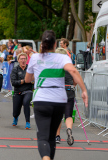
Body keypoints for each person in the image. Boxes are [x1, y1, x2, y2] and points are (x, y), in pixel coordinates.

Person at [25, 30, 88, 160]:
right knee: (52, 136)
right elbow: (73, 70)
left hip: (41, 99)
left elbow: (27, 79)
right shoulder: (63, 57)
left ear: (42, 44)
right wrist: (84, 90)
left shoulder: (35, 58)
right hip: (59, 100)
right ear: (55, 45)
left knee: (43, 136)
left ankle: (45, 158)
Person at [54, 48, 76, 145]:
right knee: (68, 115)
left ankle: (57, 136)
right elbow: (75, 81)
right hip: (69, 91)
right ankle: (69, 129)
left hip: (58, 92)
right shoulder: (70, 67)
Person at [10, 53, 33, 129]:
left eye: (24, 59)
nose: (23, 60)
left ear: (26, 60)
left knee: (26, 102)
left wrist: (32, 81)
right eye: (21, 59)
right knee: (16, 111)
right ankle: (15, 117)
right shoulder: (15, 69)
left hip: (28, 90)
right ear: (18, 60)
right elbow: (13, 82)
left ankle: (27, 122)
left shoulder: (29, 69)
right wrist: (24, 81)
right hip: (18, 91)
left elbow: (33, 79)